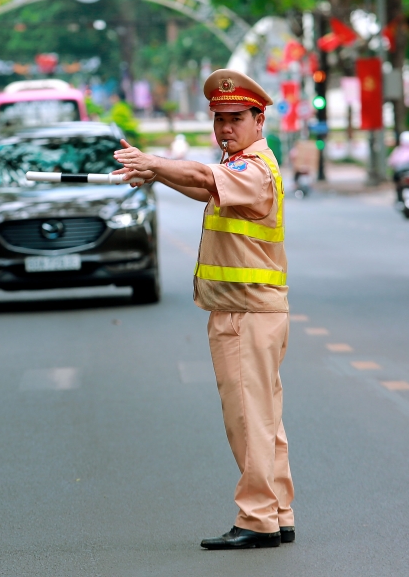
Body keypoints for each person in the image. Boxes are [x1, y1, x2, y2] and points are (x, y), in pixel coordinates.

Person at [113, 69, 294, 550]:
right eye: (219, 120)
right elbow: (204, 186)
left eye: (236, 119)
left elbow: (201, 176)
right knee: (266, 420)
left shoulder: (254, 168)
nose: (225, 129)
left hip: (246, 314)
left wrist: (154, 160)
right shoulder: (241, 167)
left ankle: (257, 519)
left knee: (246, 420)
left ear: (260, 121)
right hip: (253, 311)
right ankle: (279, 510)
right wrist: (156, 174)